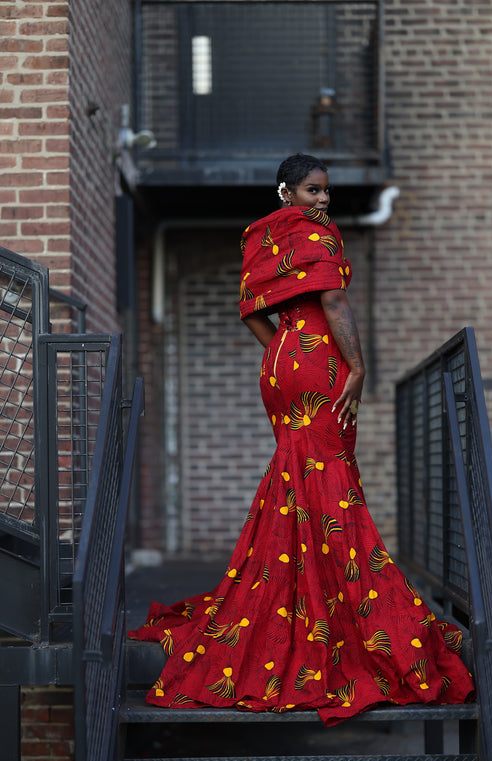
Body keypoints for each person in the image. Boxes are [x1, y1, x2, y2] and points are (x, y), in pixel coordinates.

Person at [129, 153, 474, 726]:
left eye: (326, 192)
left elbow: (251, 312)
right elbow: (334, 301)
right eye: (313, 190)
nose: (322, 201)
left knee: (303, 476)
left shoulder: (263, 236)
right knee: (331, 482)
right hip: (319, 363)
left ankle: (304, 593)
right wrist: (356, 366)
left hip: (283, 361)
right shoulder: (318, 234)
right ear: (287, 190)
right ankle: (338, 612)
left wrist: (283, 349)